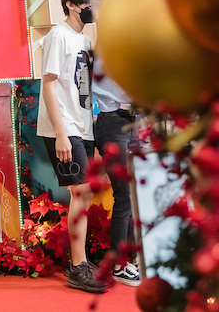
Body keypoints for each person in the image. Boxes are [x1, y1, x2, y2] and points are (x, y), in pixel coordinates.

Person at [37, 0, 108, 294]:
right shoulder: (59, 36)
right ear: (70, 5)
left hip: (83, 126)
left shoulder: (84, 39)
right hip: (64, 128)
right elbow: (48, 84)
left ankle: (81, 262)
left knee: (85, 195)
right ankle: (78, 267)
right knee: (81, 192)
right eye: (86, 3)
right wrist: (61, 134)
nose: (90, 8)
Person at [93, 55, 142, 286]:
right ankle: (119, 265)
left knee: (134, 195)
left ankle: (133, 259)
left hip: (134, 121)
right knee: (124, 195)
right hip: (113, 122)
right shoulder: (108, 51)